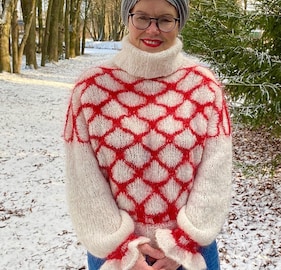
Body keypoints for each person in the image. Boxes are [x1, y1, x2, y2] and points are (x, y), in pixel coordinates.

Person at [63, 0, 232, 269]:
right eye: (142, 17)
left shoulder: (204, 87)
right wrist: (122, 248)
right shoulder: (91, 89)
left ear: (179, 23)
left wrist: (182, 244)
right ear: (127, 18)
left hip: (191, 255)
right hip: (115, 256)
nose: (152, 29)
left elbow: (216, 173)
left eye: (165, 19)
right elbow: (82, 178)